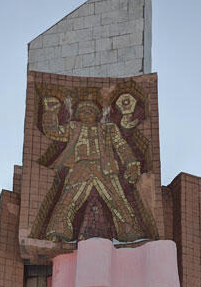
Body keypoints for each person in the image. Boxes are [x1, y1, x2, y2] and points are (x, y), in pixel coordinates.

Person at [34, 95, 146, 243]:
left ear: (97, 114)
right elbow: (53, 132)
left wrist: (131, 163)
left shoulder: (109, 129)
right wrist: (50, 112)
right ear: (78, 115)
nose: (86, 114)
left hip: (104, 168)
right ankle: (58, 230)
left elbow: (121, 146)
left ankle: (130, 231)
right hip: (80, 168)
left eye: (90, 111)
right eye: (83, 111)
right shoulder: (74, 127)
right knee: (68, 200)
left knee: (118, 199)